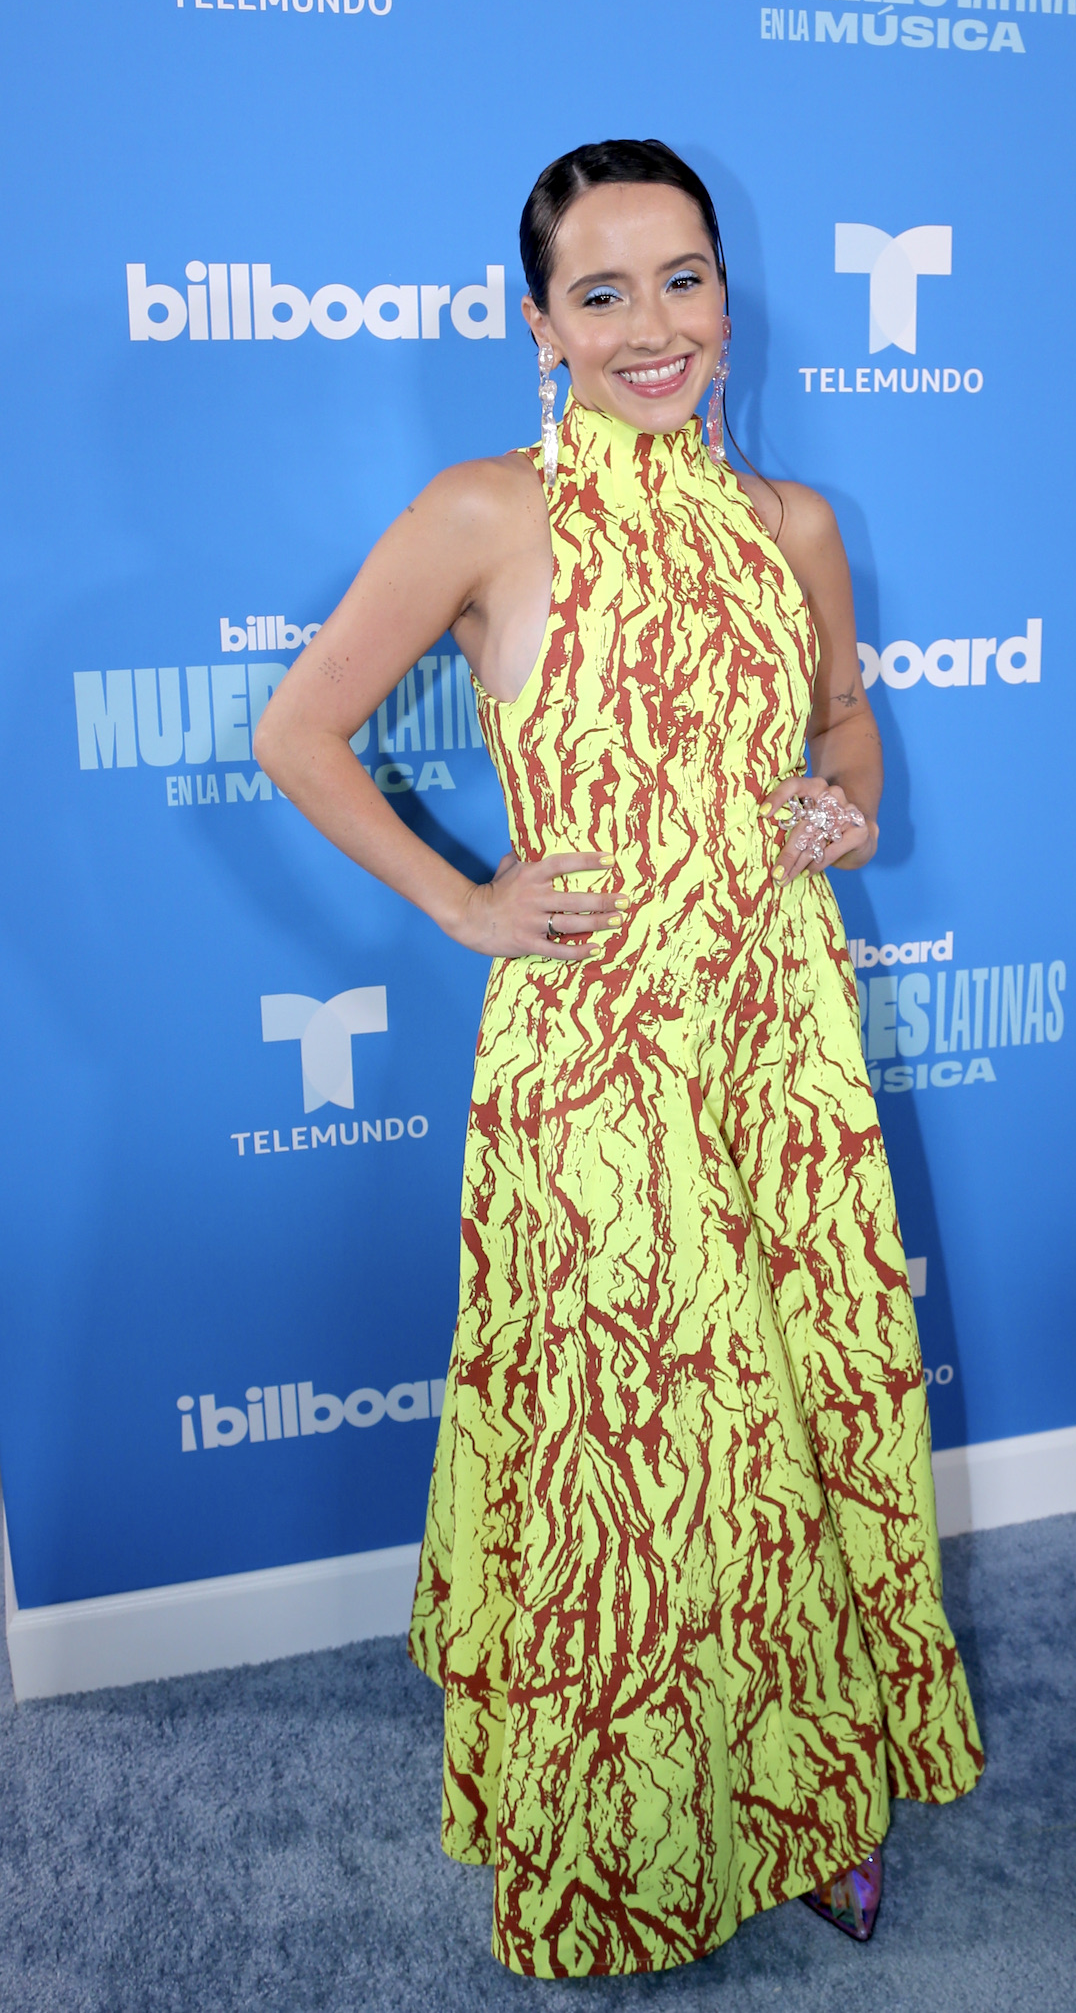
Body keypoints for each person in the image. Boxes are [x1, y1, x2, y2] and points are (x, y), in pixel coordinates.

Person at [254, 138, 983, 1980]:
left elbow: (847, 720)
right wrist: (460, 901)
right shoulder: (486, 516)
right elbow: (301, 732)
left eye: (685, 279)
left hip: (780, 1034)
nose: (655, 327)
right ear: (541, 323)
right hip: (598, 1054)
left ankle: (807, 1799)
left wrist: (846, 803)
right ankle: (624, 1825)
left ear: (727, 294)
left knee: (794, 1423)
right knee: (644, 1441)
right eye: (606, 291)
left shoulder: (797, 522)